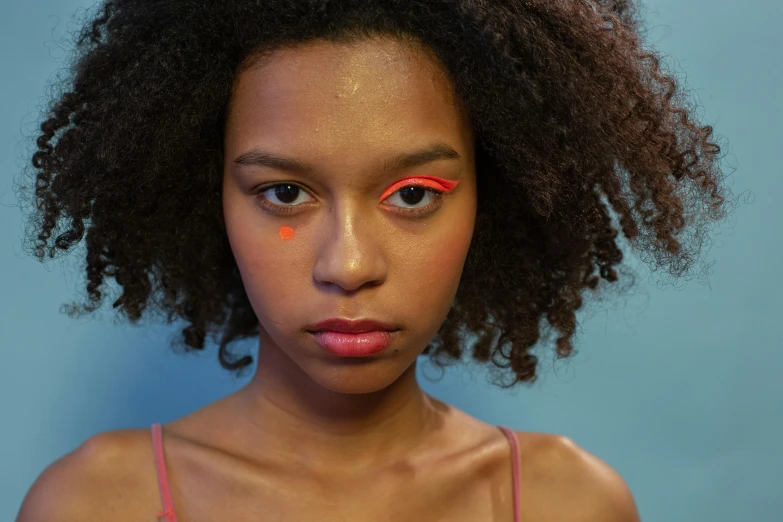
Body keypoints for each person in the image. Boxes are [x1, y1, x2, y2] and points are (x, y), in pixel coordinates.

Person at [14, 0, 733, 520]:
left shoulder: (564, 503)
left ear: (503, 194)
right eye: (285, 193)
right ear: (204, 196)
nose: (349, 264)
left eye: (413, 194)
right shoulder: (98, 504)